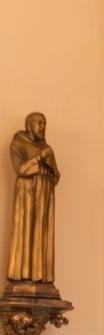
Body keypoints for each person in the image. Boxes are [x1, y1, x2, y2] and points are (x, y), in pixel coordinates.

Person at [7, 112, 59, 295]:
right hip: (27, 196)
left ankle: (40, 276)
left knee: (41, 233)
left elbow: (56, 176)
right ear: (29, 125)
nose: (43, 126)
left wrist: (52, 166)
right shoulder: (18, 144)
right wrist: (39, 158)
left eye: (45, 123)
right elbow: (20, 169)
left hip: (44, 198)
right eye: (39, 123)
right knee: (26, 231)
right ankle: (22, 276)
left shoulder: (47, 147)